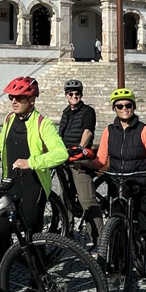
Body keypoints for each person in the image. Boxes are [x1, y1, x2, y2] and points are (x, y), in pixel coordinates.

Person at [0, 76, 68, 292]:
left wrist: (31, 163)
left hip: (33, 187)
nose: (13, 100)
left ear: (31, 99)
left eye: (19, 97)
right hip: (10, 185)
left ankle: (37, 284)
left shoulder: (43, 124)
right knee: (0, 233)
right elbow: (1, 142)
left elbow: (61, 153)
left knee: (31, 238)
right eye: (12, 96)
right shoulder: (10, 119)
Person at [83, 88, 146, 292]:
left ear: (133, 107)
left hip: (140, 188)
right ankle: (117, 268)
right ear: (114, 108)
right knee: (114, 232)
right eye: (120, 106)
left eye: (128, 105)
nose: (124, 109)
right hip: (117, 187)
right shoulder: (108, 131)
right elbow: (101, 159)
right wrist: (82, 164)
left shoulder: (144, 130)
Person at [58, 79, 102, 243]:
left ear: (81, 95)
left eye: (77, 94)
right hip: (64, 158)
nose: (74, 96)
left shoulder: (88, 111)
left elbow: (88, 131)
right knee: (65, 197)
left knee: (86, 199)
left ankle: (98, 236)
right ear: (66, 96)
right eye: (71, 94)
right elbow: (60, 135)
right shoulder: (65, 112)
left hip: (79, 159)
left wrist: (80, 148)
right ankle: (67, 230)